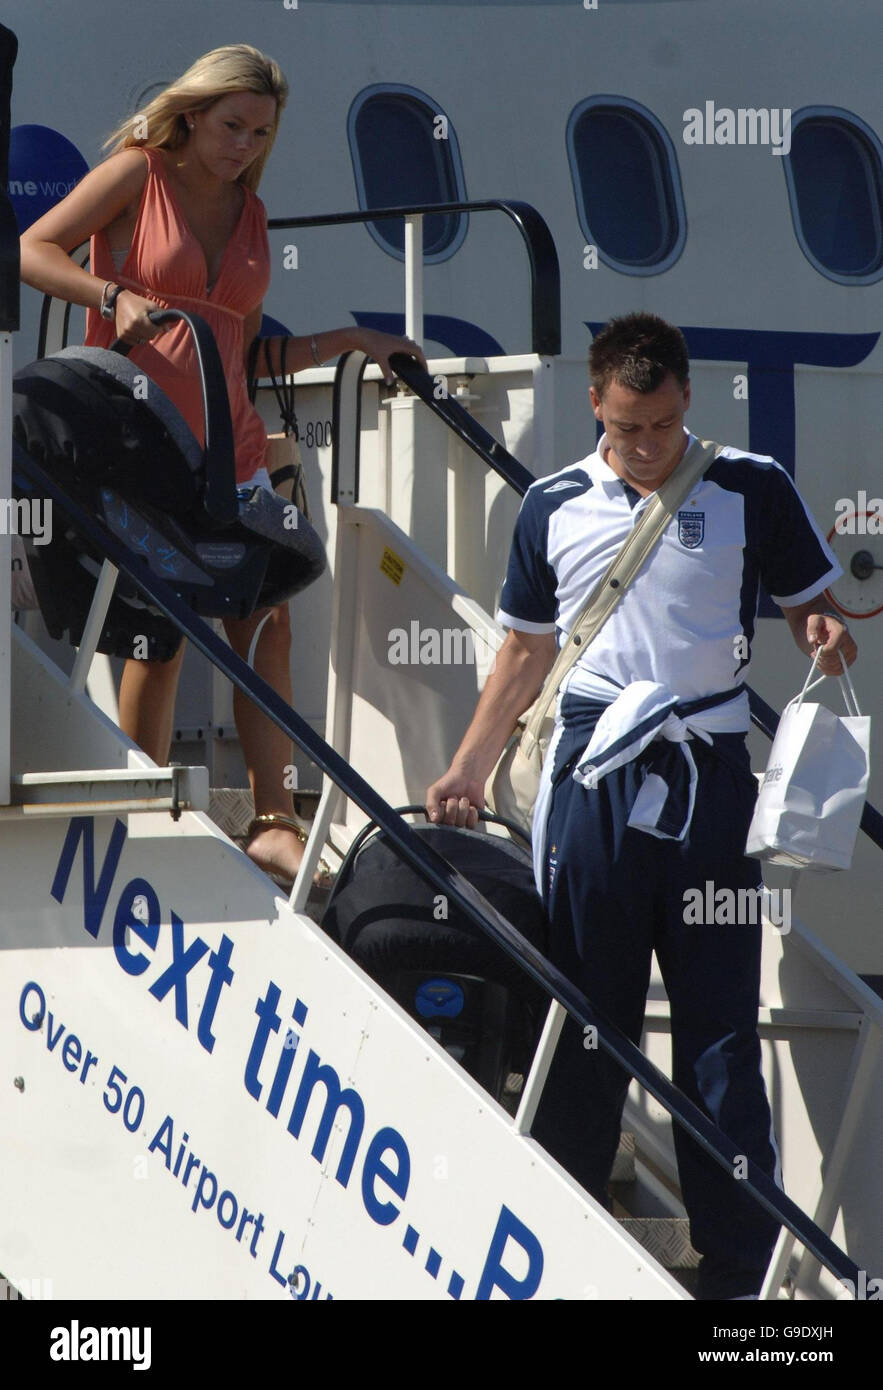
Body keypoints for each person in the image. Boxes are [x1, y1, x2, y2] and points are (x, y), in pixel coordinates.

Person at [426, 312, 858, 1300]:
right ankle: (564, 1243)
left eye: (663, 424)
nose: (648, 446)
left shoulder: (751, 484)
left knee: (720, 1032)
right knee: (585, 1015)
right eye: (627, 427)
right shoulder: (550, 504)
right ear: (594, 405)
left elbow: (812, 611)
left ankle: (737, 1274)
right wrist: (465, 767)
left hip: (711, 782)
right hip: (593, 781)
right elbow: (523, 653)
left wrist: (826, 634)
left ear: (687, 400)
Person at [19, 43, 426, 886]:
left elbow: (241, 352)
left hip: (230, 447)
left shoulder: (251, 212)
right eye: (231, 125)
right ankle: (140, 815)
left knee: (268, 619)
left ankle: (273, 820)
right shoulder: (138, 173)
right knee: (158, 635)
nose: (243, 145)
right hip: (139, 438)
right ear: (193, 113)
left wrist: (353, 339)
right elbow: (31, 248)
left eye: (260, 133)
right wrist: (112, 296)